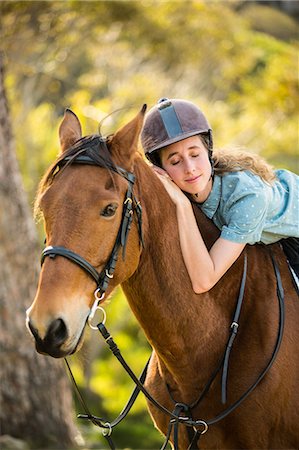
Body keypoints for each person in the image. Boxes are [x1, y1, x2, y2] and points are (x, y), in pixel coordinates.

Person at [141, 98, 299, 293]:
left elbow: (203, 281)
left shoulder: (248, 198)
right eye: (175, 161)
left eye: (195, 154)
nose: (190, 169)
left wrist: (182, 205)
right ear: (160, 170)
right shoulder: (177, 189)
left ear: (208, 151)